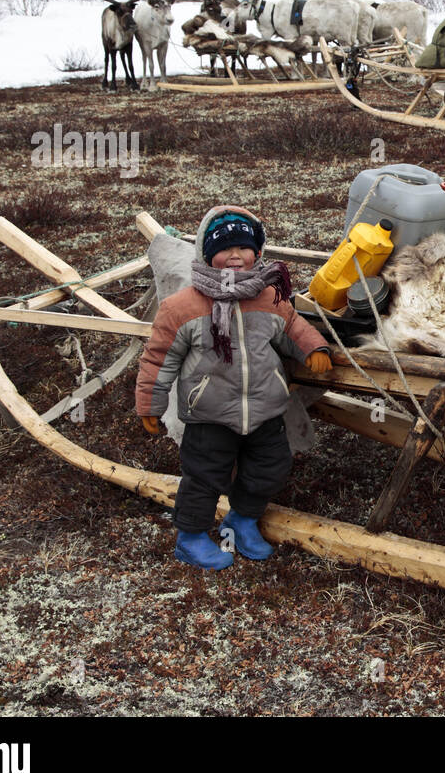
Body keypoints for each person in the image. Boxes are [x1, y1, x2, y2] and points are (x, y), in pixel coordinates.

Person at [135, 206, 333, 569]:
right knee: (204, 479)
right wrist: (150, 403)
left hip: (265, 411)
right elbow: (158, 358)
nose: (235, 256)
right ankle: (190, 538)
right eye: (225, 249)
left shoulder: (270, 297)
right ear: (207, 255)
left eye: (243, 248)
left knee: (271, 468)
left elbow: (293, 327)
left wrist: (313, 347)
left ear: (257, 252)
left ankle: (241, 520)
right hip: (209, 415)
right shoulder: (183, 307)